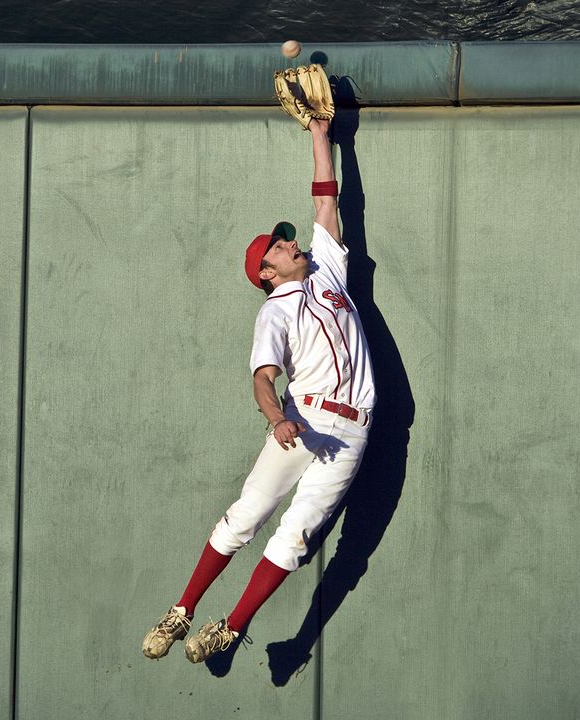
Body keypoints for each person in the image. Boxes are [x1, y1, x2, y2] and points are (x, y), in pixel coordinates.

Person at [142, 117, 376, 663]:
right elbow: (263, 379)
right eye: (277, 246)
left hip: (351, 431)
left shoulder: (327, 273)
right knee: (247, 515)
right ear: (267, 272)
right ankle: (182, 611)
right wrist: (276, 418)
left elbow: (325, 202)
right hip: (302, 423)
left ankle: (232, 626)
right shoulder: (274, 311)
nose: (290, 242)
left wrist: (321, 134)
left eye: (285, 240)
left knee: (294, 539)